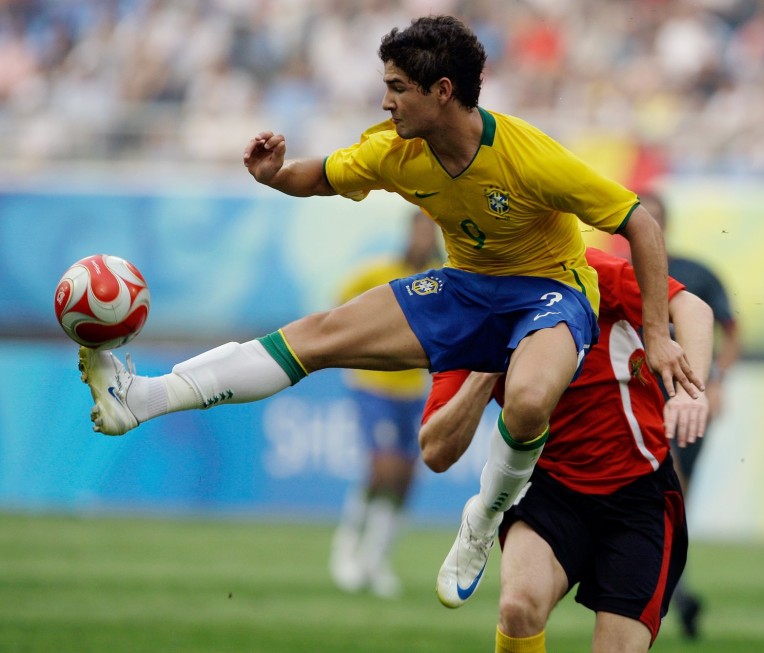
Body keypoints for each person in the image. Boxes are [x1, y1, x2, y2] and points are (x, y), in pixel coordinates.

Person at [77, 15, 704, 609]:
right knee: (316, 337)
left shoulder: (529, 157)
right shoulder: (394, 151)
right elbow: (318, 177)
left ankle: (483, 517)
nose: (386, 102)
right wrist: (275, 175)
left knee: (530, 399)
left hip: (551, 292)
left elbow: (639, 223)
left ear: (442, 90)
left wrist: (658, 336)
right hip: (467, 288)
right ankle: (144, 398)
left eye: (397, 88)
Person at [418, 247, 714, 653]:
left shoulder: (580, 266)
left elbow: (692, 307)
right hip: (548, 487)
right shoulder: (462, 316)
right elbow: (436, 450)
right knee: (518, 607)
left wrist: (692, 393)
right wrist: (486, 370)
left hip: (637, 492)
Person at [639, 191, 741, 638]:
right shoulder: (617, 275)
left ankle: (673, 592)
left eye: (655, 220)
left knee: (674, 500)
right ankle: (673, 595)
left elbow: (730, 328)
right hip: (641, 401)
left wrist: (716, 381)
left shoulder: (696, 273)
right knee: (663, 489)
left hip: (689, 398)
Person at [329, 211, 442, 598]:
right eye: (420, 228)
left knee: (407, 476)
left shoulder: (444, 280)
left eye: (431, 229)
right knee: (382, 467)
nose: (425, 236)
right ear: (409, 231)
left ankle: (375, 558)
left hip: (414, 390)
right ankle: (346, 550)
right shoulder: (376, 273)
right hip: (374, 384)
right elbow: (338, 312)